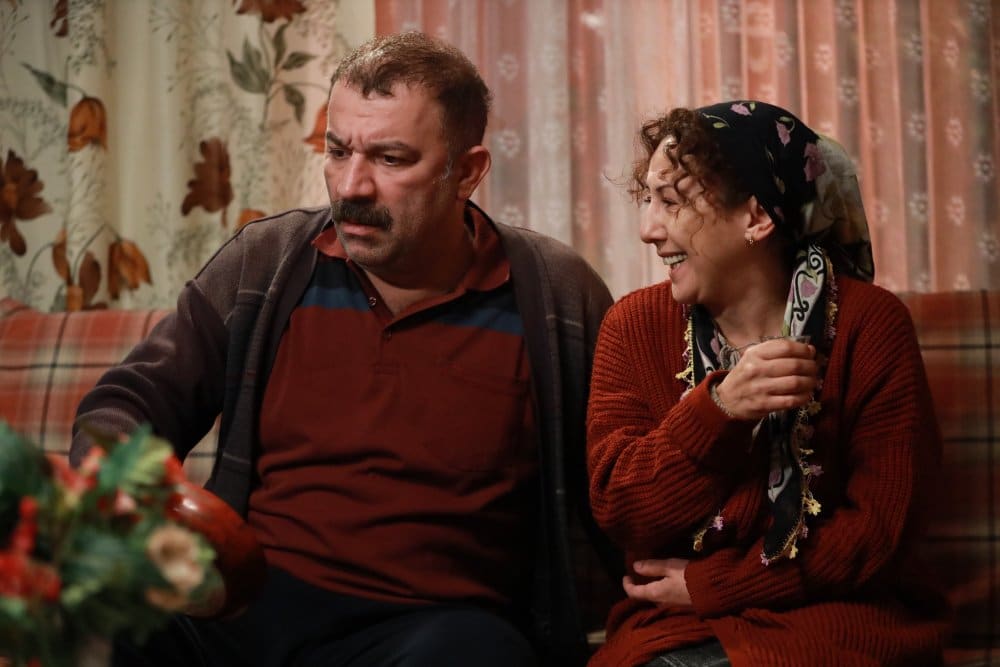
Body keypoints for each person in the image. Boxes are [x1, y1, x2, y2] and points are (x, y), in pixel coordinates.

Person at [71, 31, 614, 667]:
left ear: (466, 172)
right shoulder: (266, 262)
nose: (351, 185)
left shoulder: (555, 293)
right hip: (245, 613)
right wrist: (114, 483)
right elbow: (131, 401)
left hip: (432, 631)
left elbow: (624, 476)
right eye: (337, 151)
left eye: (390, 158)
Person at [585, 101, 952, 667]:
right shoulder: (631, 326)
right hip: (679, 629)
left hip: (841, 623)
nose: (648, 230)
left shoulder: (871, 325)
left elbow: (882, 533)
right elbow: (621, 510)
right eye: (648, 201)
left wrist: (716, 584)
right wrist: (718, 411)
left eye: (672, 202)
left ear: (756, 218)